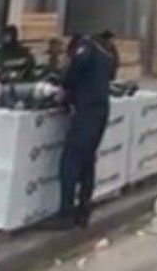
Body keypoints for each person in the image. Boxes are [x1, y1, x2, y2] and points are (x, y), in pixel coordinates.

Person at [48, 33, 113, 229]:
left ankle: (66, 214)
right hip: (99, 112)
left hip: (87, 114)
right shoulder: (105, 55)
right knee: (87, 162)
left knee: (70, 162)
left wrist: (64, 84)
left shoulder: (86, 47)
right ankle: (83, 212)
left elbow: (79, 64)